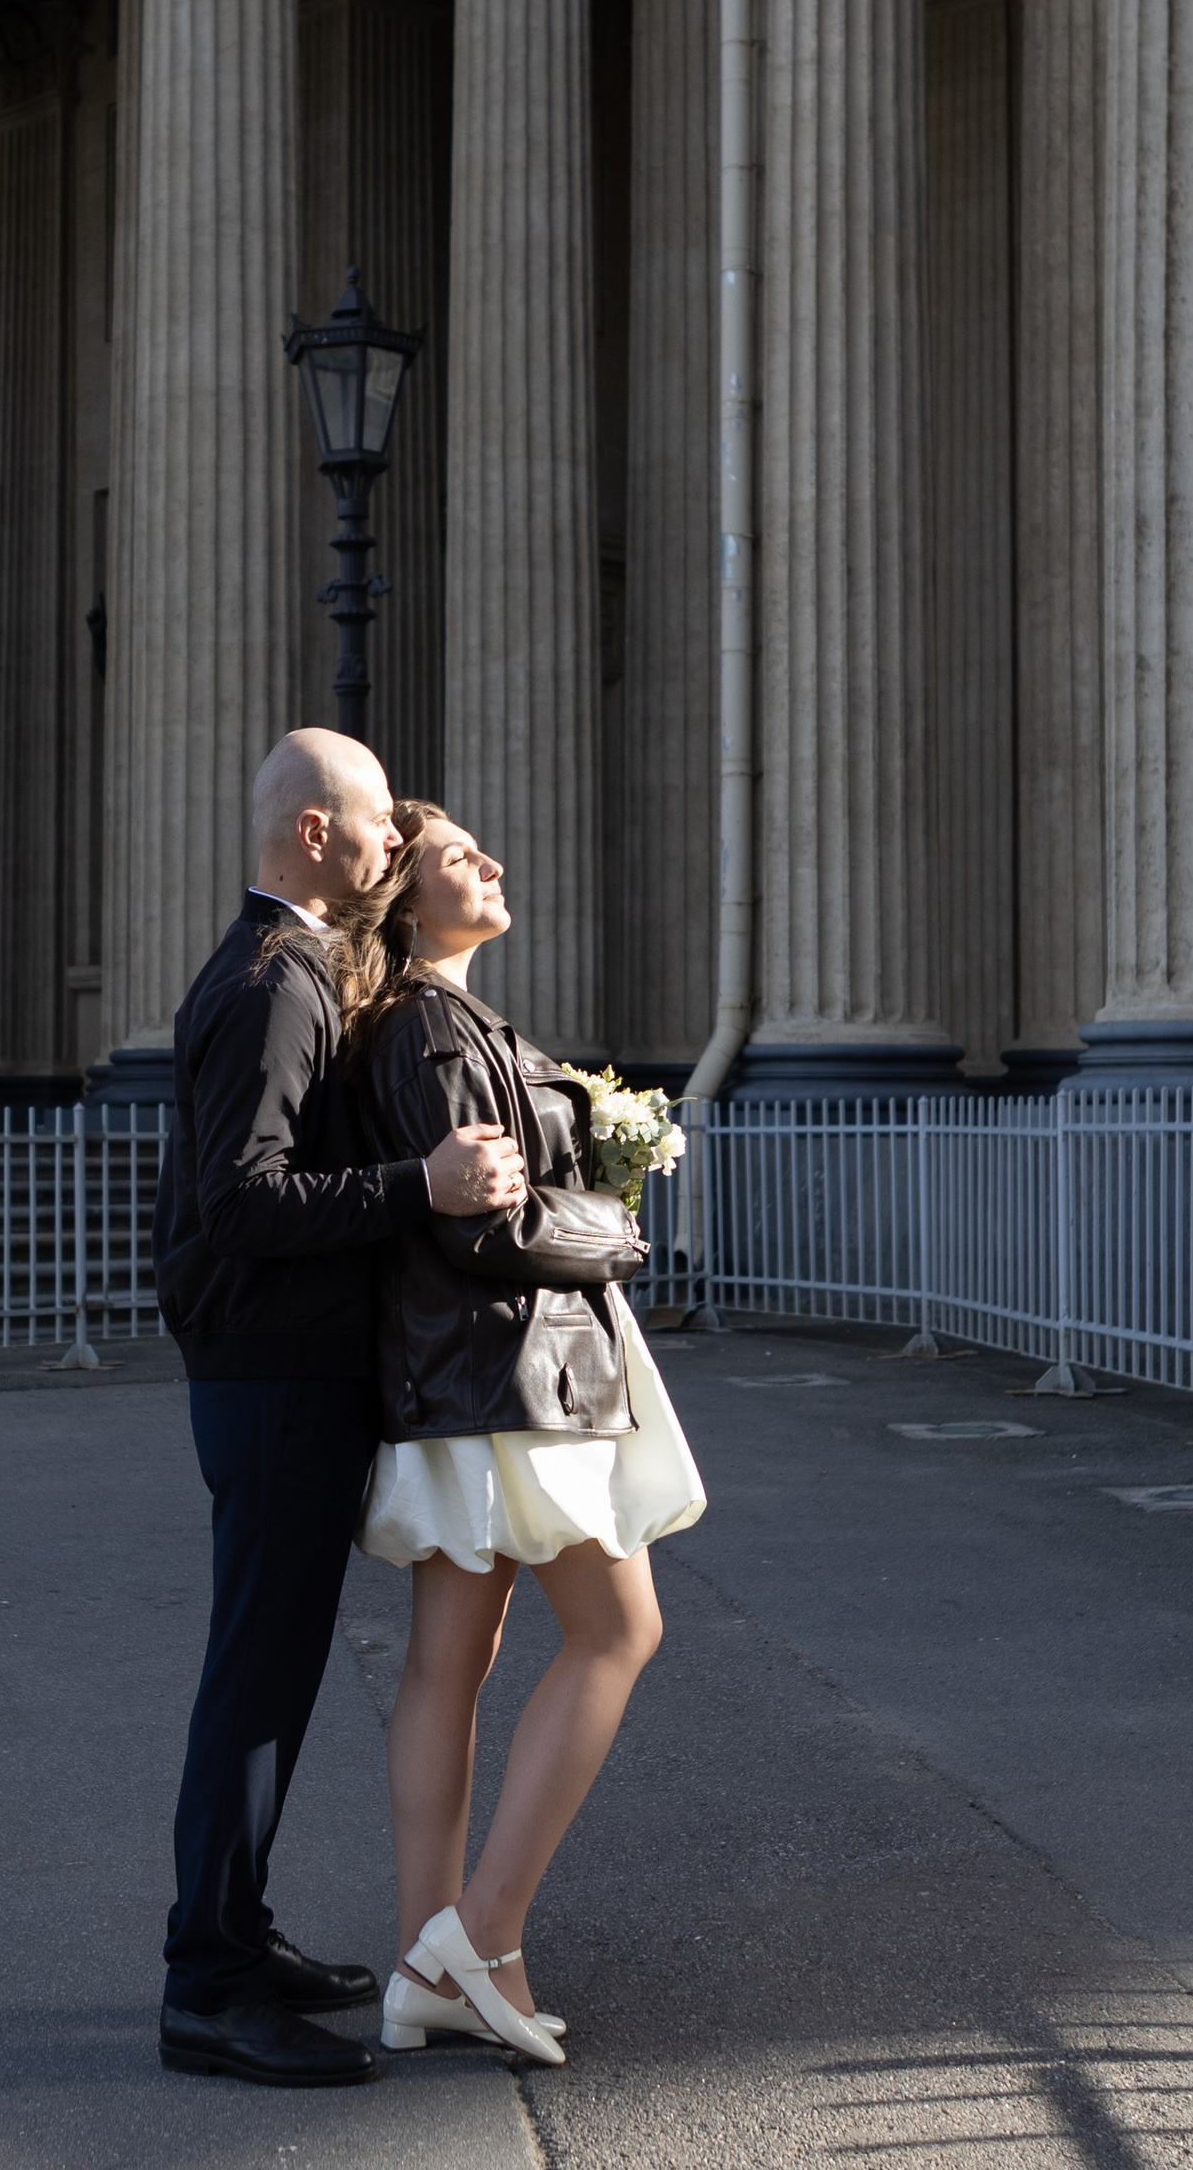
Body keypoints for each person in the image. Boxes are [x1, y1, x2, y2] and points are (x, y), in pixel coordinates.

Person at [155, 732, 530, 2090]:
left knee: (273, 1671)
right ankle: (205, 1985)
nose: (391, 846)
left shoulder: (291, 969)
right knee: (254, 1680)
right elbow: (238, 1202)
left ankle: (235, 1939)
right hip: (269, 1374)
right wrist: (416, 1185)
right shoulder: (275, 980)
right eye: (377, 826)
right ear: (315, 832)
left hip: (277, 1368)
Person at [319, 800, 706, 2065]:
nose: (488, 860)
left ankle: (437, 1959)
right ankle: (475, 1936)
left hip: (467, 1377)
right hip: (508, 1374)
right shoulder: (434, 1024)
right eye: (453, 857)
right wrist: (618, 1229)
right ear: (409, 903)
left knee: (452, 1658)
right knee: (617, 1628)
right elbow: (486, 1224)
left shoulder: (434, 1019)